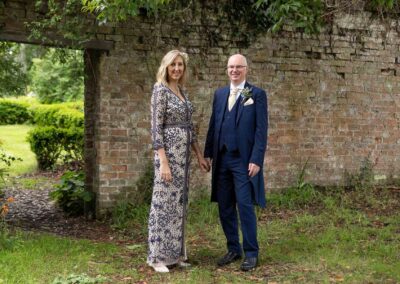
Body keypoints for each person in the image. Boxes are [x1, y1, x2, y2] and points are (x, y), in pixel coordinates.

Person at [204, 54, 268, 271]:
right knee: (225, 207)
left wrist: (256, 159)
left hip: (243, 161)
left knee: (245, 205)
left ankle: (251, 253)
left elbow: (261, 130)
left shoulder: (255, 94)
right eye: (231, 67)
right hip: (221, 159)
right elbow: (214, 124)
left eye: (238, 67)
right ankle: (233, 248)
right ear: (227, 69)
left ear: (246, 69)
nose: (234, 70)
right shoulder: (220, 94)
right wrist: (207, 154)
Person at [148, 50, 210, 273]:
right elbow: (156, 130)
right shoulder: (160, 91)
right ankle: (157, 257)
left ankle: (175, 255)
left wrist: (199, 156)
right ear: (166, 66)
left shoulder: (182, 91)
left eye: (180, 65)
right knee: (163, 205)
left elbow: (189, 128)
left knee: (179, 206)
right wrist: (163, 161)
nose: (176, 68)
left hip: (183, 161)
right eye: (173, 64)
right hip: (168, 158)